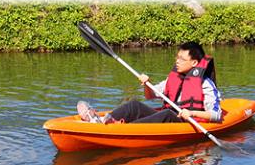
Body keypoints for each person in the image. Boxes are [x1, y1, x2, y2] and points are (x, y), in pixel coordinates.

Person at [77, 42, 221, 124]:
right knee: (134, 105)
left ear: (194, 62)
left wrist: (191, 112)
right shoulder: (173, 78)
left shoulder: (205, 84)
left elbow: (216, 115)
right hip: (168, 117)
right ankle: (102, 120)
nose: (177, 61)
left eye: (182, 59)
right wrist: (147, 84)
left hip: (189, 122)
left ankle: (119, 128)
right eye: (177, 57)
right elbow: (150, 95)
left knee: (167, 114)